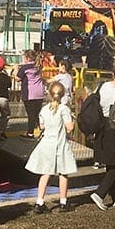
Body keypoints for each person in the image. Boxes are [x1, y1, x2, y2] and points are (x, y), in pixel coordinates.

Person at [25, 81, 77, 213]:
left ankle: (39, 202)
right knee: (63, 172)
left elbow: (42, 126)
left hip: (47, 143)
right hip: (60, 144)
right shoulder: (64, 109)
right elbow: (69, 128)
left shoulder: (44, 109)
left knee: (45, 173)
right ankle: (63, 202)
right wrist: (74, 119)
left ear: (49, 94)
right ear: (62, 95)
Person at [89, 64, 115, 210]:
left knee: (111, 163)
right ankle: (100, 193)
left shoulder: (103, 86)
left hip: (103, 125)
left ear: (113, 73)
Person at [17, 49, 45, 138]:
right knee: (36, 113)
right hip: (39, 93)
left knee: (31, 114)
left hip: (30, 93)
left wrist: (15, 70)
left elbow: (17, 78)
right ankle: (42, 129)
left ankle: (30, 133)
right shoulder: (38, 66)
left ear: (27, 58)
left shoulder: (25, 68)